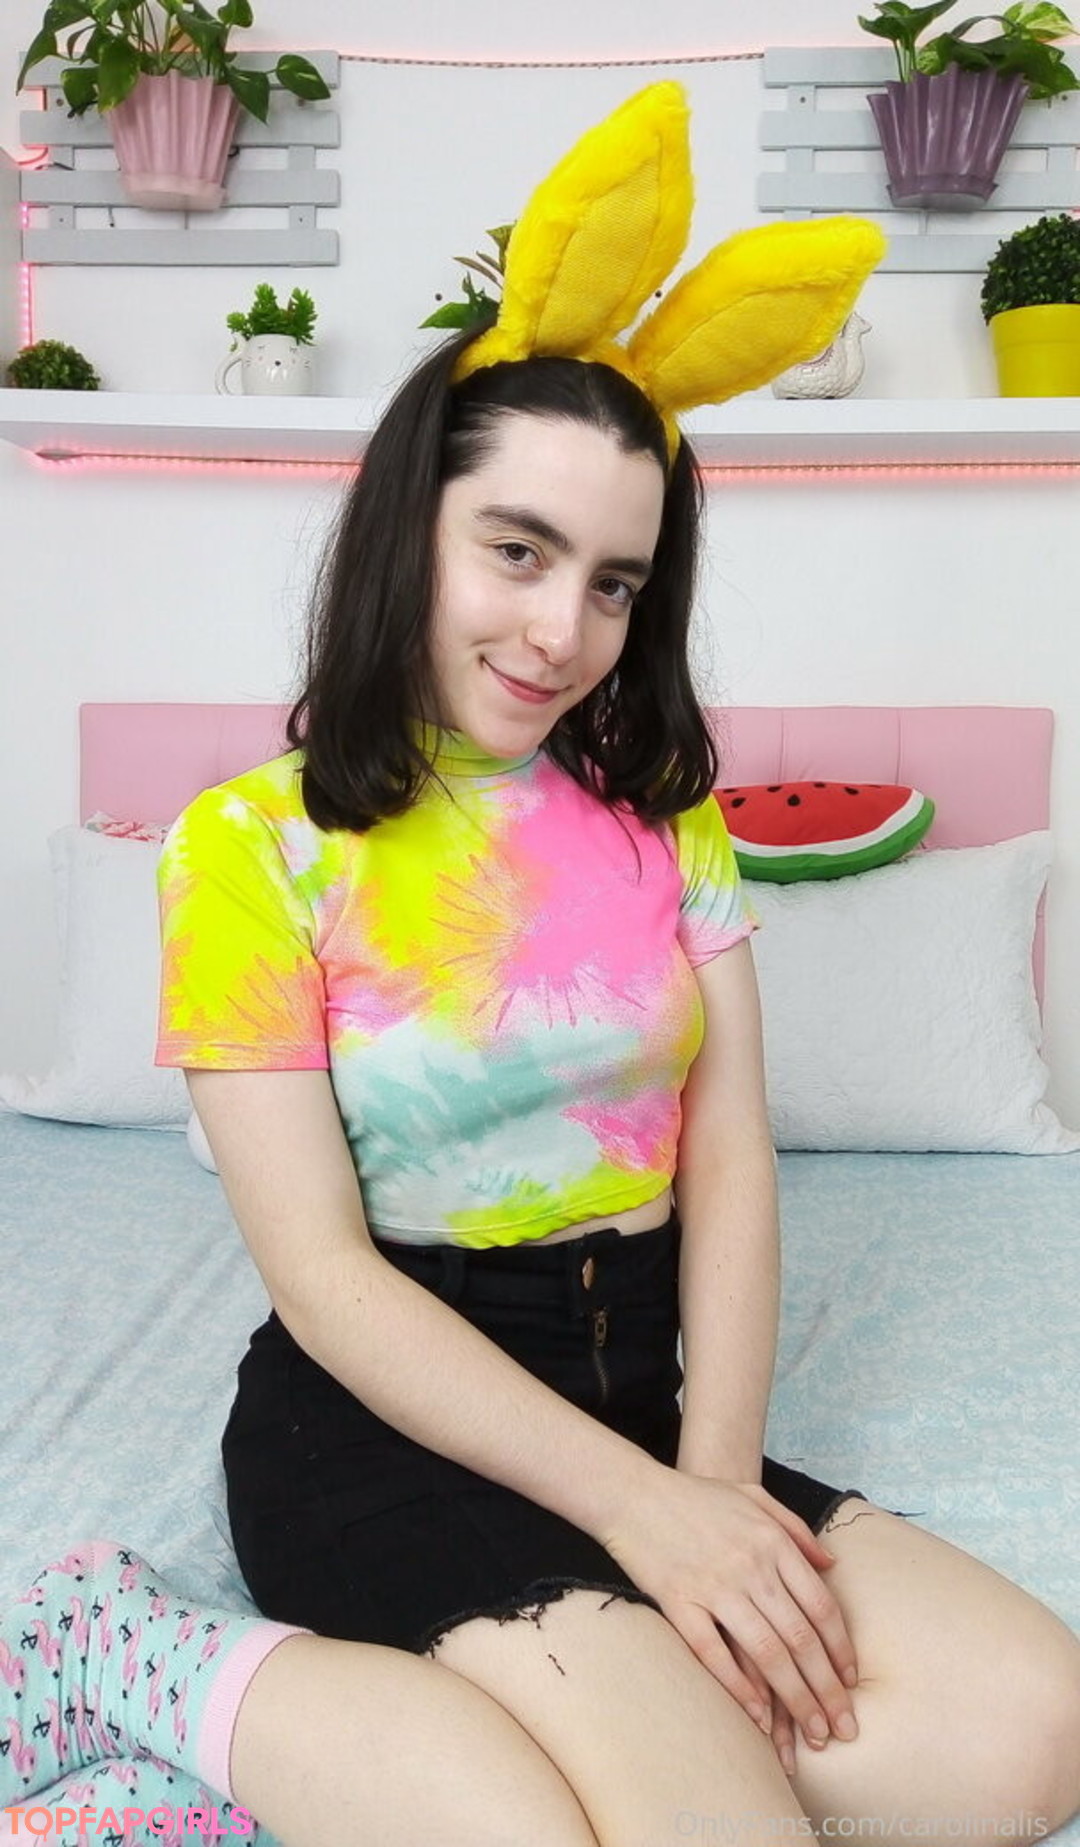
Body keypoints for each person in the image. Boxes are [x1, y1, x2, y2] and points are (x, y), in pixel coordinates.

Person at [148, 82, 1080, 1847]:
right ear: (411, 527)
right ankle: (168, 1671)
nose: (562, 629)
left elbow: (729, 1154)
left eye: (615, 583)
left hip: (643, 1385)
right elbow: (325, 1281)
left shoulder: (666, 813)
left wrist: (709, 1488)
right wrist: (645, 1527)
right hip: (391, 1419)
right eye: (517, 551)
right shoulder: (246, 846)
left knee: (1037, 1736)